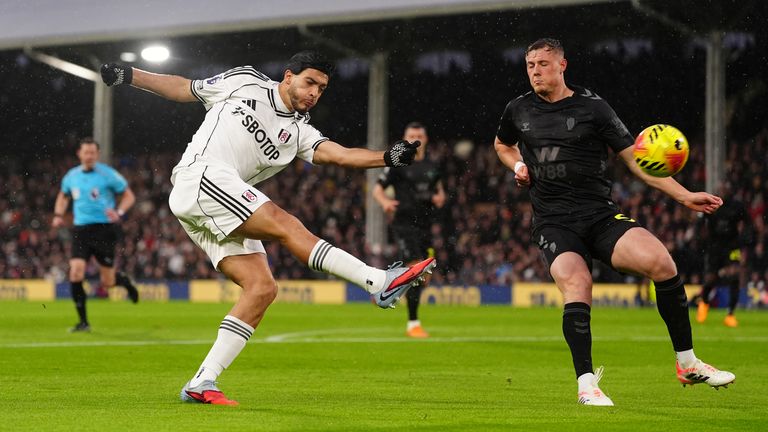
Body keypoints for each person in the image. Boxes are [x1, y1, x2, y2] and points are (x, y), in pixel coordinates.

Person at [100, 51, 436, 406]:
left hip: (216, 203)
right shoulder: (245, 80)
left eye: (322, 89)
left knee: (261, 288)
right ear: (288, 76)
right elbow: (185, 88)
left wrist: (387, 157)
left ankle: (203, 381)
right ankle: (377, 282)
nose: (314, 93)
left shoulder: (299, 133)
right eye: (309, 82)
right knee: (284, 223)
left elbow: (338, 155)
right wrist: (129, 75)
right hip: (201, 177)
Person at [493, 38, 735, 406]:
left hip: (600, 214)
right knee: (578, 282)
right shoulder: (517, 110)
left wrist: (684, 195)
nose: (536, 71)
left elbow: (635, 160)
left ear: (562, 66)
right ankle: (587, 384)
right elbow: (502, 145)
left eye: (543, 64)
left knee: (662, 263)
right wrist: (519, 165)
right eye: (530, 65)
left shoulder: (594, 108)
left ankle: (687, 363)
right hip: (555, 222)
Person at [52, 137, 139, 332]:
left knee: (107, 283)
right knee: (76, 272)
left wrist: (120, 212)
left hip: (104, 230)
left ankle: (124, 281)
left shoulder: (108, 175)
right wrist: (58, 214)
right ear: (79, 154)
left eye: (93, 152)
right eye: (86, 152)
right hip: (81, 229)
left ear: (97, 154)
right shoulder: (71, 176)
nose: (89, 156)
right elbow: (63, 196)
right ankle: (83, 322)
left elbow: (129, 196)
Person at [373, 122, 445, 338]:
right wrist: (385, 202)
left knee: (424, 275)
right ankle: (413, 323)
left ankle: (384, 285)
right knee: (416, 268)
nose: (415, 138)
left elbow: (439, 190)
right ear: (406, 139)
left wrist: (439, 197)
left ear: (425, 139)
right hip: (405, 223)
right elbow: (377, 189)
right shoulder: (399, 164)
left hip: (426, 224)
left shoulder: (433, 165)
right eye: (411, 134)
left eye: (419, 135)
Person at [696, 183, 751, 327]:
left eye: (725, 189)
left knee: (734, 277)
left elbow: (748, 223)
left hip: (732, 246)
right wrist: (701, 240)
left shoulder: (737, 206)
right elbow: (701, 224)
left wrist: (745, 242)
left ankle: (730, 314)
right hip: (714, 248)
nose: (723, 191)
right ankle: (704, 303)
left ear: (729, 191)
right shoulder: (712, 204)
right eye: (720, 189)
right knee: (710, 279)